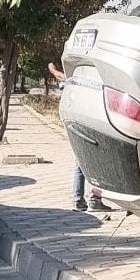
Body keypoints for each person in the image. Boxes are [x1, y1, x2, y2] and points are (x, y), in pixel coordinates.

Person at [48, 62, 106, 211]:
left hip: (75, 125)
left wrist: (52, 69)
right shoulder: (94, 80)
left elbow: (60, 76)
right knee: (97, 164)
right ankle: (94, 198)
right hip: (92, 125)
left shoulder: (76, 80)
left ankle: (78, 199)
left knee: (80, 163)